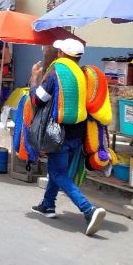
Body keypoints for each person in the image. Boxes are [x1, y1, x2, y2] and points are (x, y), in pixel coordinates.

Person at [29, 38, 107, 236]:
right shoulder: (81, 73)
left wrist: (33, 80)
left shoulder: (56, 73)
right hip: (77, 133)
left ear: (61, 54)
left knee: (58, 173)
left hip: (59, 133)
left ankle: (88, 210)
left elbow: (37, 100)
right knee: (59, 169)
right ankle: (48, 205)